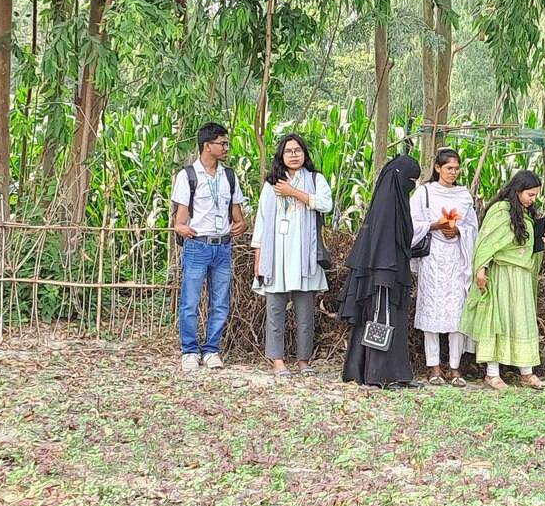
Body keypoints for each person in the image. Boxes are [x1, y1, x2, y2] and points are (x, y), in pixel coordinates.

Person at [461, 169, 545, 391]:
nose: (533, 199)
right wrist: (481, 270)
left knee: (522, 321)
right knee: (497, 320)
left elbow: (527, 245)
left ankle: (526, 373)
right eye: (530, 194)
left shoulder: (527, 213)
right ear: (518, 190)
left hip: (521, 275)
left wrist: (542, 242)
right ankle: (492, 374)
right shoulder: (500, 211)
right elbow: (486, 243)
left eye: (535, 195)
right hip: (501, 274)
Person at [338, 154, 423, 388]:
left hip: (389, 270)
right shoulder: (387, 206)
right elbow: (383, 243)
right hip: (382, 272)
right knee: (381, 320)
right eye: (411, 180)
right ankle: (379, 376)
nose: (412, 185)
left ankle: (382, 373)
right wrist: (384, 273)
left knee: (389, 320)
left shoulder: (394, 202)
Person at [252, 132, 331, 377]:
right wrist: (258, 259)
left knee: (305, 312)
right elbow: (261, 223)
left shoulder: (316, 179)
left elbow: (326, 204)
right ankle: (277, 360)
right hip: (276, 255)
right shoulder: (271, 184)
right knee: (275, 310)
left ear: (304, 154)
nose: (294, 155)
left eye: (298, 150)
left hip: (305, 256)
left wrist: (293, 192)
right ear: (281, 156)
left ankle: (303, 360)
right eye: (288, 151)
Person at [172, 123, 249, 373]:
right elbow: (179, 219)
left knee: (220, 302)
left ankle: (211, 350)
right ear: (207, 146)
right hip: (197, 245)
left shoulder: (229, 176)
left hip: (223, 246)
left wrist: (241, 225)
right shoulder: (187, 176)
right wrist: (181, 228)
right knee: (190, 301)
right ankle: (189, 351)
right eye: (222, 143)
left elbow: (237, 215)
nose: (226, 148)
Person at [409, 148, 480, 385]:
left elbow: (473, 228)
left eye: (456, 169)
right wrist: (435, 225)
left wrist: (458, 230)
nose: (453, 172)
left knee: (457, 312)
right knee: (432, 309)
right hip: (433, 258)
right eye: (449, 168)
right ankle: (434, 367)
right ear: (438, 168)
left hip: (457, 258)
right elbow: (412, 224)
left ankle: (455, 367)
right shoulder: (424, 193)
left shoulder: (463, 195)